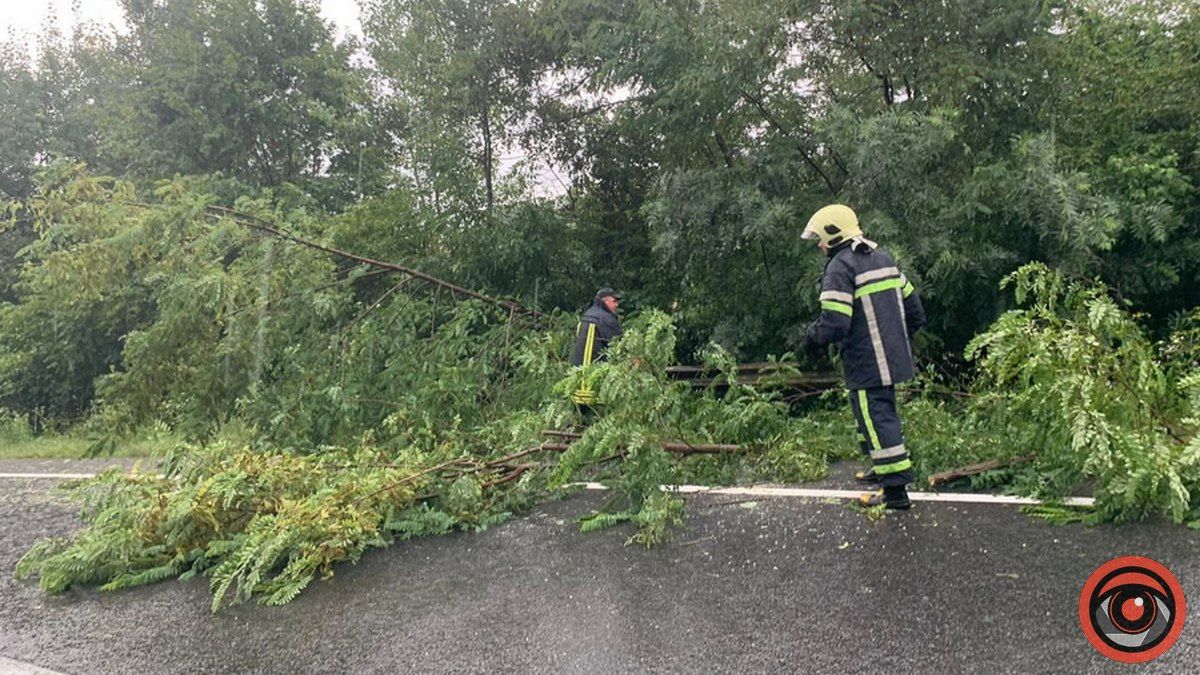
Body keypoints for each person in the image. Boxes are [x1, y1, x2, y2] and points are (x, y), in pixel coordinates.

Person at [801, 204, 926, 509]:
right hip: (892, 357)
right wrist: (894, 340)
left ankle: (895, 492)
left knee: (876, 418)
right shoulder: (882, 257)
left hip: (867, 361)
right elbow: (916, 313)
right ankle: (881, 467)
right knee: (876, 416)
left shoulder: (840, 267)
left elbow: (835, 322)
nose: (819, 244)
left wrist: (810, 339)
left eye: (820, 237)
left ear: (834, 233)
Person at [569, 288, 623, 419]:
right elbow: (619, 346)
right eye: (614, 301)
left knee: (582, 415)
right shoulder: (605, 319)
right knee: (599, 416)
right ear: (604, 301)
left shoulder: (586, 315)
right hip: (595, 379)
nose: (616, 305)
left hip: (578, 378)